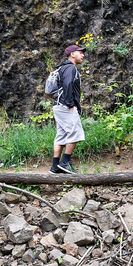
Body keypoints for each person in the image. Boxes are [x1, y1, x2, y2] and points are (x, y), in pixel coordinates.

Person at [50, 45, 86, 174]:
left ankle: (55, 166)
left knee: (61, 135)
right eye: (80, 53)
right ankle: (65, 162)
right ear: (72, 54)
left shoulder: (62, 67)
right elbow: (67, 84)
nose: (82, 55)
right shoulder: (70, 68)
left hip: (58, 105)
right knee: (76, 132)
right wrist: (70, 104)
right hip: (66, 106)